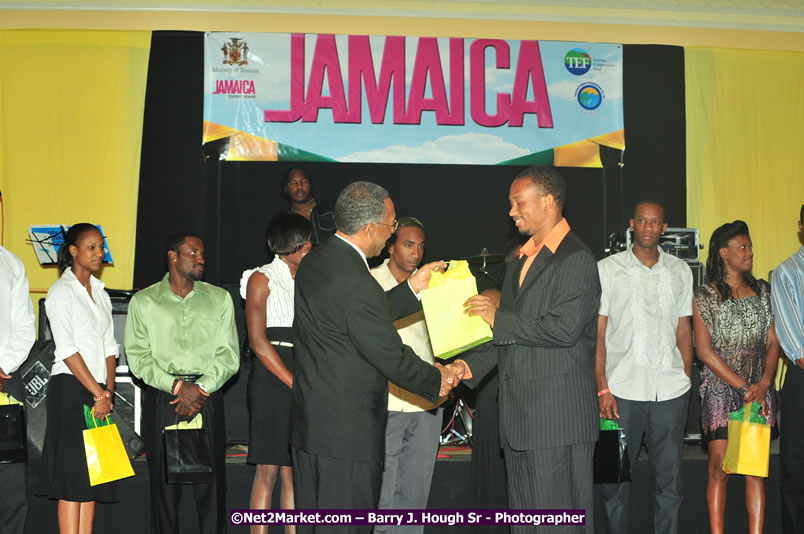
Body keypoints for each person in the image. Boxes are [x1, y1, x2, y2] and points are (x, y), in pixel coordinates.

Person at [290, 181, 462, 529]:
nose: (392, 232)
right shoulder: (358, 282)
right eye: (392, 225)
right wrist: (437, 380)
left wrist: (413, 287)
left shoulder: (317, 260)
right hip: (347, 438)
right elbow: (388, 352)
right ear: (369, 229)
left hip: (312, 427)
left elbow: (359, 316)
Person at [462, 166, 601, 533]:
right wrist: (465, 368)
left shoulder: (577, 259)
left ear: (548, 201)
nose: (512, 211)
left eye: (518, 203)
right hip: (520, 422)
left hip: (556, 422)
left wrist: (497, 317)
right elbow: (507, 332)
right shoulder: (523, 258)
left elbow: (563, 329)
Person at [125, 232, 240, 534]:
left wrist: (200, 389)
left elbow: (228, 355)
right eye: (193, 252)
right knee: (164, 492)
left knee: (211, 490)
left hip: (207, 397)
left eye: (202, 253)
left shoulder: (219, 299)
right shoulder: (144, 301)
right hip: (164, 399)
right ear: (173, 256)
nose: (201, 259)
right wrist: (177, 387)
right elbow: (138, 358)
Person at [595, 201, 694, 534]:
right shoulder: (606, 269)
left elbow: (684, 329)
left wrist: (686, 376)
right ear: (631, 225)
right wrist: (602, 387)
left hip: (670, 392)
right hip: (620, 394)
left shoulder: (681, 270)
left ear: (664, 228)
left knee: (670, 486)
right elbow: (598, 335)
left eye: (656, 222)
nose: (649, 227)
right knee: (614, 484)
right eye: (642, 220)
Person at [693, 220, 779, 534]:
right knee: (720, 469)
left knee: (754, 471)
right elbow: (703, 351)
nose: (750, 252)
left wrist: (764, 383)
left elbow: (773, 342)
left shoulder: (763, 291)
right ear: (723, 252)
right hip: (720, 390)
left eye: (750, 246)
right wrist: (742, 385)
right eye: (742, 247)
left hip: (759, 388)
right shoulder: (706, 295)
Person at [37, 223, 120, 533]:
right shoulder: (61, 291)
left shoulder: (101, 293)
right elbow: (68, 350)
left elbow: (111, 347)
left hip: (99, 391)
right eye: (92, 247)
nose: (100, 253)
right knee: (72, 480)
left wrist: (108, 392)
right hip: (71, 391)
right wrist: (98, 393)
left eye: (101, 247)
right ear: (73, 251)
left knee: (92, 479)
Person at [240, 213, 312, 534]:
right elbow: (257, 340)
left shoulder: (311, 277)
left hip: (305, 370)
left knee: (293, 471)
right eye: (304, 240)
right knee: (268, 469)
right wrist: (291, 381)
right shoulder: (261, 278)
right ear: (287, 243)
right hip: (272, 378)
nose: (310, 245)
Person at [370, 216, 442, 534]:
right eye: (408, 244)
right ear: (391, 246)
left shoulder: (433, 284)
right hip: (386, 402)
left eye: (421, 246)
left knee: (414, 501)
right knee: (381, 500)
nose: (416, 253)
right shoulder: (369, 282)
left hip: (426, 405)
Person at [771, 204, 804, 534]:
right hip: (802, 382)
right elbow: (795, 347)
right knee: (797, 472)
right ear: (800, 227)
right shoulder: (787, 273)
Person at [0, 245, 36, 534]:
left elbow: (25, 327)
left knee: (12, 490)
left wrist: (4, 366)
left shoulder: (10, 262)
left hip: (5, 379)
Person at [282, 166, 335, 245]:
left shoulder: (331, 209)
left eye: (304, 182)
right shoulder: (285, 222)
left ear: (310, 185)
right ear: (286, 188)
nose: (299, 187)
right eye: (293, 183)